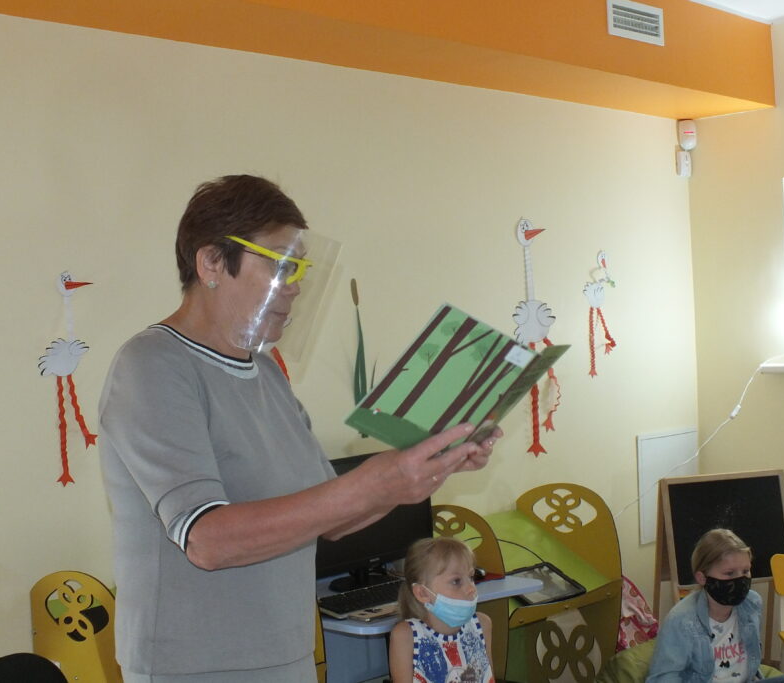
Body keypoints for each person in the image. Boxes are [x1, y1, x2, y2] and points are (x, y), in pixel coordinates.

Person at [98, 174, 500, 683]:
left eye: (299, 268)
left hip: (286, 654)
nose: (294, 285)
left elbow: (332, 517)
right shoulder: (152, 365)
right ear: (212, 263)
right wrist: (372, 482)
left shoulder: (266, 372)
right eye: (280, 264)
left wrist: (425, 469)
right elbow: (208, 540)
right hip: (193, 666)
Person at [646, 529, 784, 683]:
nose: (740, 580)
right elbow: (663, 677)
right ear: (702, 578)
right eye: (729, 573)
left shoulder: (751, 604)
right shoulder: (681, 620)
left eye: (745, 571)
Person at [389, 537, 495, 683]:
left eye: (471, 577)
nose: (471, 588)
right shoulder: (406, 636)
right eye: (456, 581)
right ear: (422, 593)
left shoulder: (482, 625)